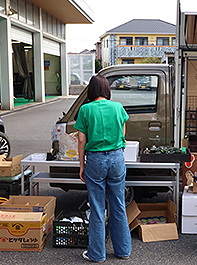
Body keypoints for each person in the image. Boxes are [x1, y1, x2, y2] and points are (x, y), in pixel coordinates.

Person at [74, 74, 131, 262]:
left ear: (91, 90)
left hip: (95, 161)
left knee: (98, 208)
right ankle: (123, 251)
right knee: (119, 205)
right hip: (116, 159)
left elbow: (81, 139)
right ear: (107, 90)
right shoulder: (118, 107)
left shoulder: (85, 109)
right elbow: (123, 134)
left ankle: (97, 254)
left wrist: (82, 165)